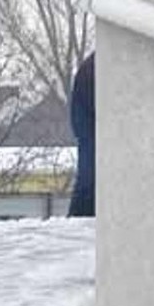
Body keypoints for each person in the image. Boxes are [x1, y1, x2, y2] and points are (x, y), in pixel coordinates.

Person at [69, 52, 95, 217]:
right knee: (89, 175)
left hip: (88, 125)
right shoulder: (95, 67)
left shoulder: (91, 65)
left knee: (88, 174)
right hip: (91, 126)